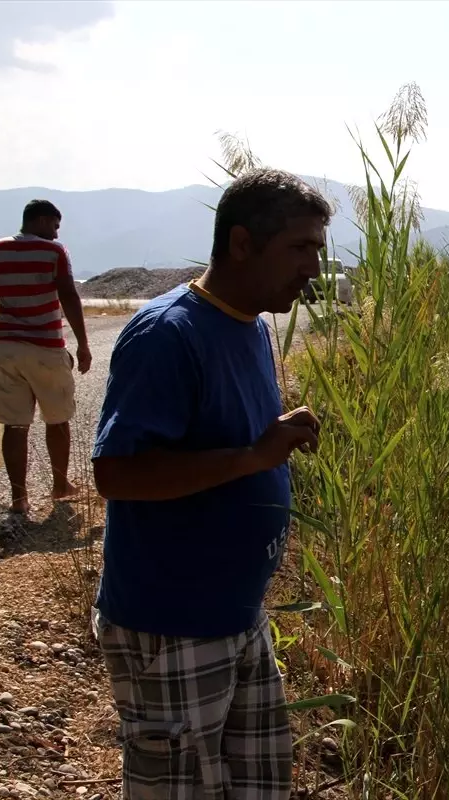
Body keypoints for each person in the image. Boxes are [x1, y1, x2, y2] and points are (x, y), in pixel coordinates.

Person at [89, 168, 330, 799]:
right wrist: (254, 456)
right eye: (300, 249)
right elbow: (116, 473)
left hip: (237, 615)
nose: (313, 268)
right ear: (243, 243)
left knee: (258, 786)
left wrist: (263, 446)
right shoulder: (168, 334)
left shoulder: (248, 325)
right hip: (171, 621)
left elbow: (224, 440)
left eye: (318, 251)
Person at [0, 199, 91, 514]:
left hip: (6, 349)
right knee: (57, 419)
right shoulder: (53, 252)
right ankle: (60, 485)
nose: (56, 233)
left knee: (14, 425)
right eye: (55, 225)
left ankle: (19, 499)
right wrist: (83, 344)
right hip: (45, 348)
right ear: (42, 221)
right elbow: (68, 295)